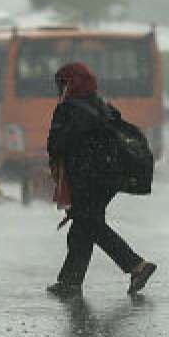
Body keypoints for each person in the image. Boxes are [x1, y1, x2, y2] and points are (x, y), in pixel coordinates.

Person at [46, 62, 157, 297]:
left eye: (61, 84)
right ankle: (70, 282)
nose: (59, 89)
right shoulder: (102, 106)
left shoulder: (69, 109)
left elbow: (57, 144)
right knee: (82, 228)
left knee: (90, 224)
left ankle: (136, 265)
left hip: (86, 177)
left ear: (69, 84)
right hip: (109, 178)